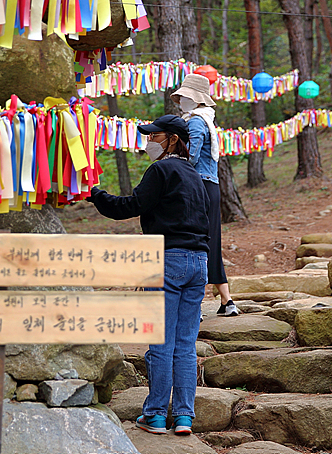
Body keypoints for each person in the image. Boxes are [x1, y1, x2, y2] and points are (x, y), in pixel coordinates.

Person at [88, 114, 209, 436]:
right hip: (199, 262)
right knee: (184, 345)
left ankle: (155, 415)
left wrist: (94, 193)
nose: (148, 141)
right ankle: (184, 417)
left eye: (154, 136)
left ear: (171, 139)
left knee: (160, 342)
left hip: (168, 260)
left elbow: (130, 206)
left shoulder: (161, 169)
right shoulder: (194, 173)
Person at [171, 73, 240, 317]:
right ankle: (227, 300)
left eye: (184, 97)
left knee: (196, 244)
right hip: (210, 187)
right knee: (210, 242)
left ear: (195, 99)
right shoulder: (206, 119)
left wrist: (172, 162)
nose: (180, 101)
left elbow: (193, 157)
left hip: (197, 188)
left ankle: (195, 304)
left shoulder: (196, 121)